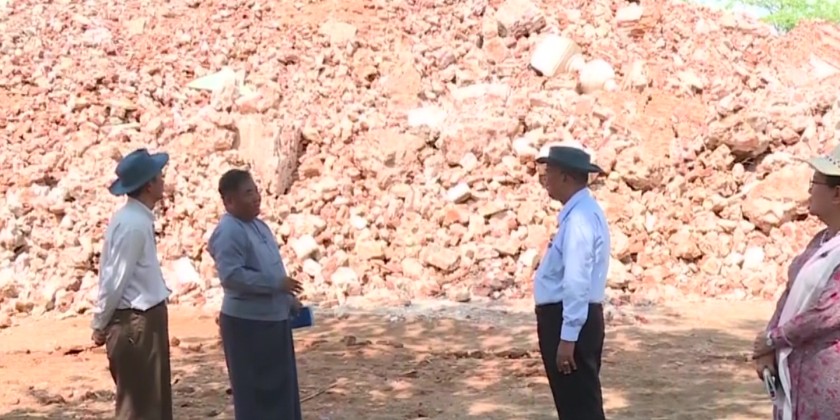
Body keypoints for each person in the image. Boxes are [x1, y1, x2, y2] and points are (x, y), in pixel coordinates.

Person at [207, 169, 304, 420]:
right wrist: (275, 284)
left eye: (256, 191)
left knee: (281, 394)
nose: (256, 198)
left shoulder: (259, 226)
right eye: (248, 193)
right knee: (257, 397)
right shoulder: (229, 230)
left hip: (273, 320)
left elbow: (270, 268)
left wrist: (287, 298)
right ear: (229, 201)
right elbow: (232, 276)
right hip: (249, 325)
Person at [753, 145, 840, 420]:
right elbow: (789, 294)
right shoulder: (821, 241)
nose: (809, 191)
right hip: (796, 374)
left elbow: (827, 314)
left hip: (827, 384)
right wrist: (767, 344)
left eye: (815, 183)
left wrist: (772, 340)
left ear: (837, 194)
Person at [90, 148, 173, 420]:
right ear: (148, 185)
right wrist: (100, 323)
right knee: (140, 405)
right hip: (137, 322)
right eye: (159, 176)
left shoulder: (130, 219)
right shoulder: (134, 225)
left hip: (141, 320)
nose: (163, 181)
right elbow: (115, 279)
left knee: (150, 401)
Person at [533, 145, 611, 420]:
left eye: (550, 172)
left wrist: (568, 338)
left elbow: (576, 281)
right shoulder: (582, 213)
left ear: (566, 177)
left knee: (579, 408)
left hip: (568, 319)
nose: (545, 179)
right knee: (577, 405)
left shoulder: (579, 219)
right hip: (573, 317)